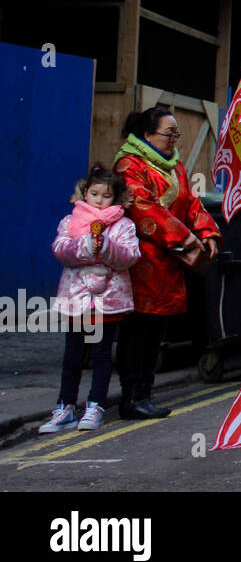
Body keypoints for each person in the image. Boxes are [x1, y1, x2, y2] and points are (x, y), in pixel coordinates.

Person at [114, 106, 221, 421]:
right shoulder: (129, 166)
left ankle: (143, 394)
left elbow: (191, 203)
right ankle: (132, 397)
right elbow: (144, 210)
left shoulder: (174, 168)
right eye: (169, 133)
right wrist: (188, 239)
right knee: (138, 329)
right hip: (142, 262)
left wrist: (208, 232)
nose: (174, 139)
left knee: (153, 331)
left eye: (176, 134)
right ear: (147, 135)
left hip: (169, 261)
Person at [40, 165, 140, 434]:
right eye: (93, 193)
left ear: (116, 198)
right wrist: (86, 246)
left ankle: (95, 405)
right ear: (84, 193)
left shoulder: (123, 225)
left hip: (106, 304)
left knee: (101, 355)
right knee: (72, 356)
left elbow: (130, 256)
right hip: (77, 301)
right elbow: (60, 250)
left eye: (105, 195)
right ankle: (65, 407)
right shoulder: (70, 222)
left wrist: (105, 247)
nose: (98, 199)